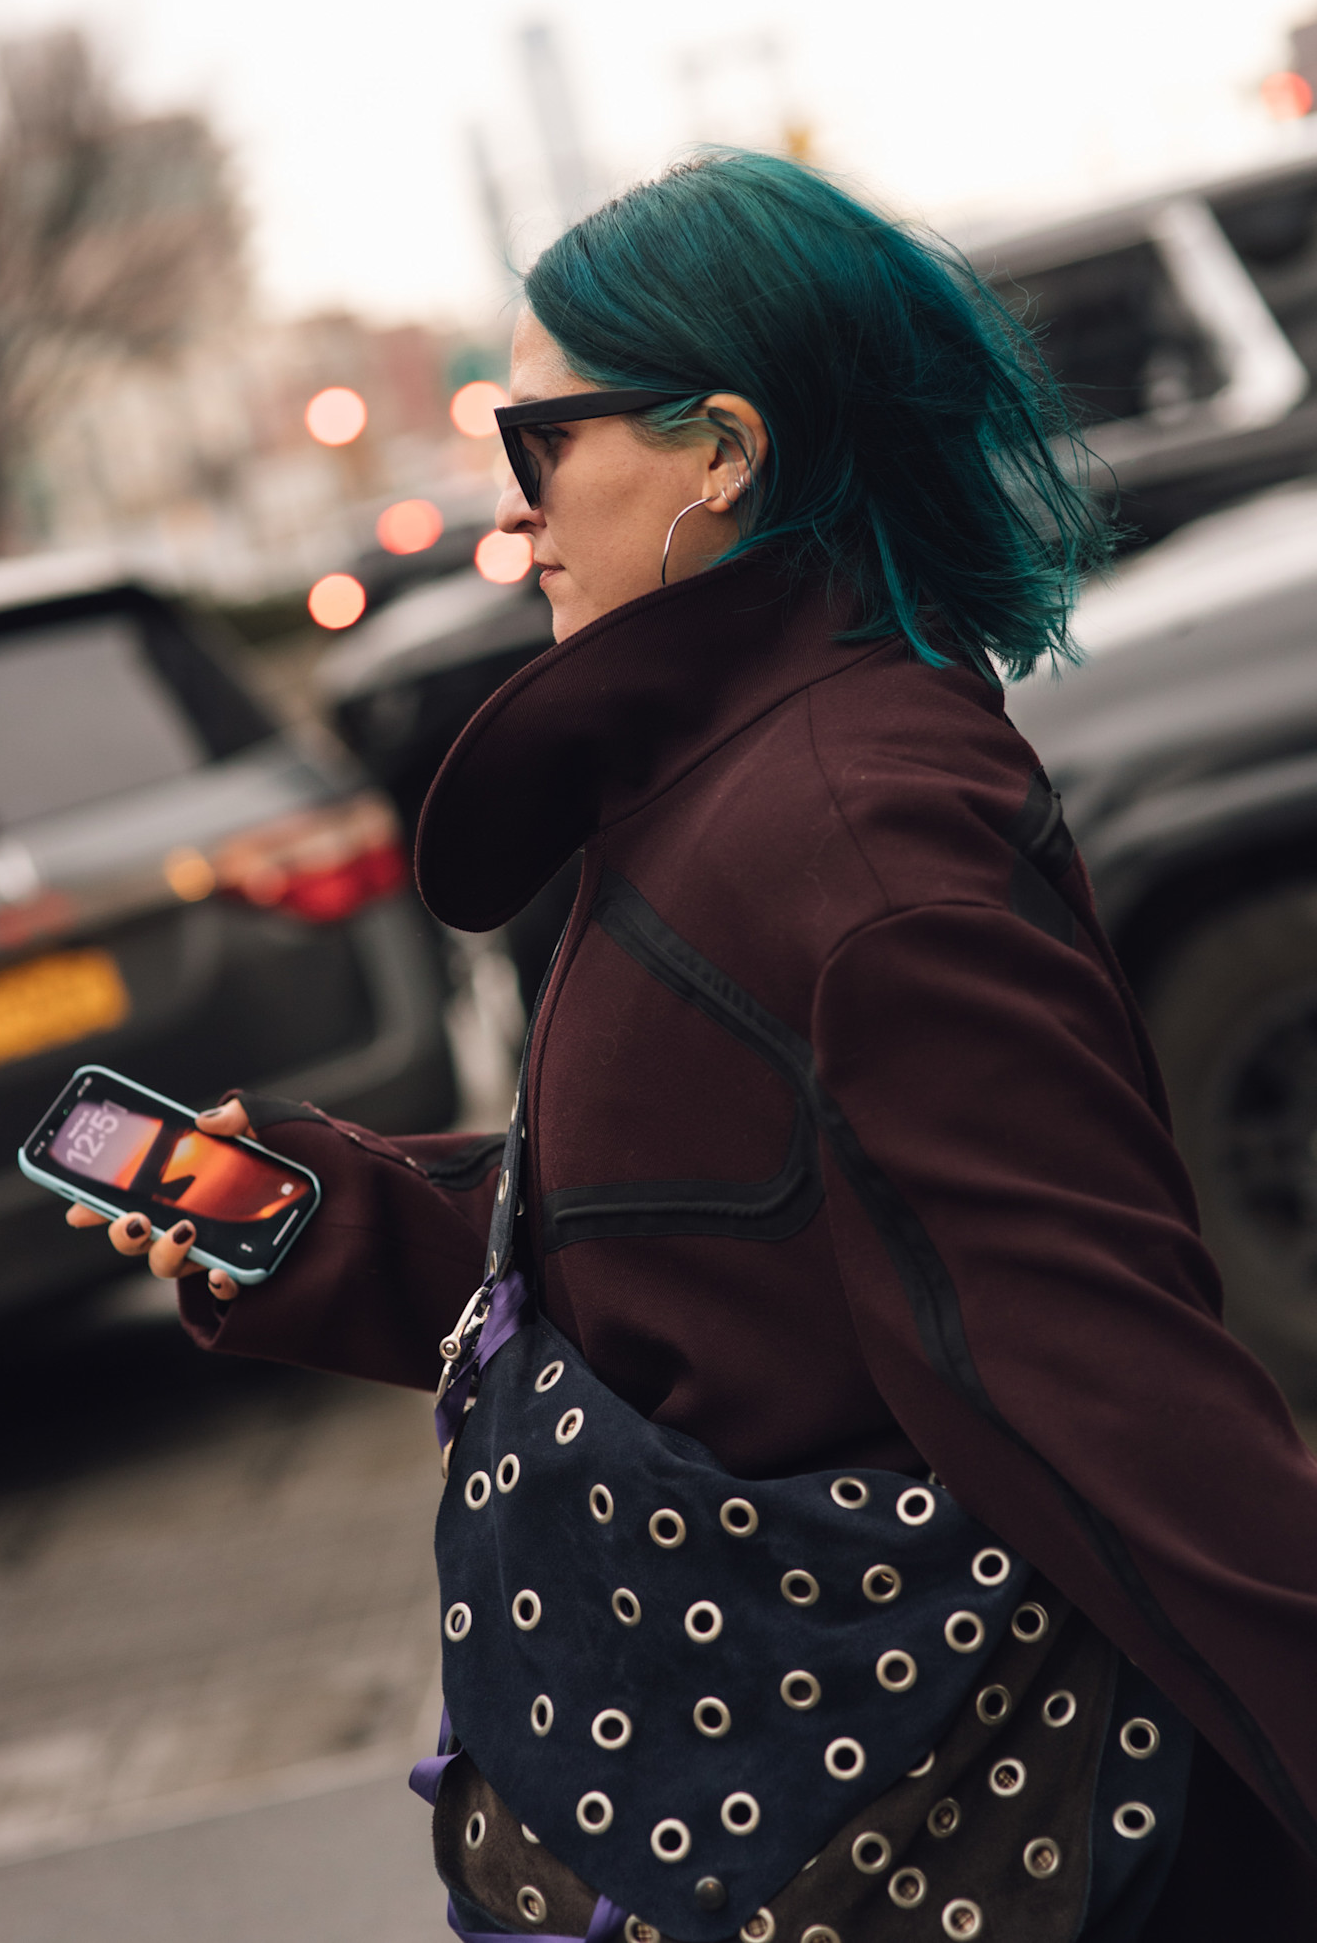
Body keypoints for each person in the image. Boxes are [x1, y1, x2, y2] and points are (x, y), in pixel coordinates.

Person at [69, 151, 1317, 1939]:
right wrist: (329, 1223)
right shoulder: (726, 781)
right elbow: (703, 1240)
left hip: (896, 1834)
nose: (511, 518)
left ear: (725, 450)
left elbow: (1106, 1384)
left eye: (537, 444)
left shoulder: (852, 839)